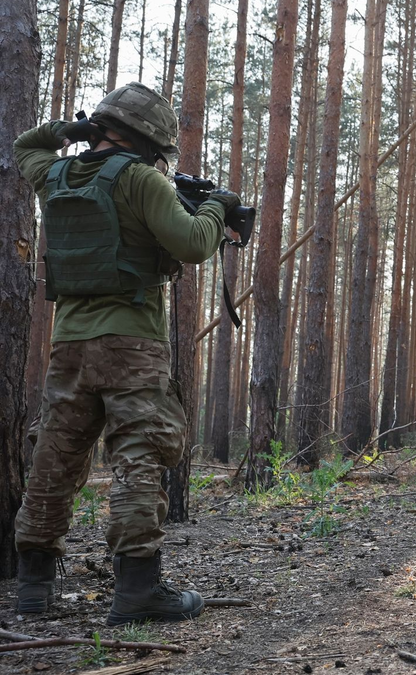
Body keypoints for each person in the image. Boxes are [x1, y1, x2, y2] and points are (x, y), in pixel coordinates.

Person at [13, 82, 242, 625]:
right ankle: (138, 588)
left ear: (102, 126)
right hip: (132, 343)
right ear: (150, 140)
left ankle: (32, 590)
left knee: (54, 459)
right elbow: (193, 244)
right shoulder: (142, 179)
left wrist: (70, 131)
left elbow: (26, 146)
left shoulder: (56, 173)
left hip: (69, 344)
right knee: (139, 456)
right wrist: (217, 206)